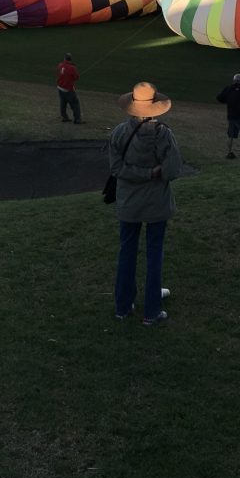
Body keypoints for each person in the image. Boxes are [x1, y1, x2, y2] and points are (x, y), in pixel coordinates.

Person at [107, 82, 192, 325]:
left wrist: (137, 173)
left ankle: (123, 306)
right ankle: (151, 310)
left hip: (129, 203)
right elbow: (173, 169)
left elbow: (116, 168)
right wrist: (152, 173)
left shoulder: (119, 133)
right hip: (157, 202)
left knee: (127, 252)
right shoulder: (163, 134)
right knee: (154, 254)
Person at [217, 74, 240, 159]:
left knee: (231, 135)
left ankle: (229, 153)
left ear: (233, 80)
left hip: (230, 116)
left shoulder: (228, 88)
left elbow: (219, 98)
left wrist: (228, 101)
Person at [55, 54, 83, 124]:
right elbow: (76, 77)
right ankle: (77, 119)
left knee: (63, 102)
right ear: (70, 59)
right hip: (68, 89)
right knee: (75, 103)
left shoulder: (60, 65)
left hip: (60, 87)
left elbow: (59, 72)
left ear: (64, 59)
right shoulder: (72, 67)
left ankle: (64, 117)